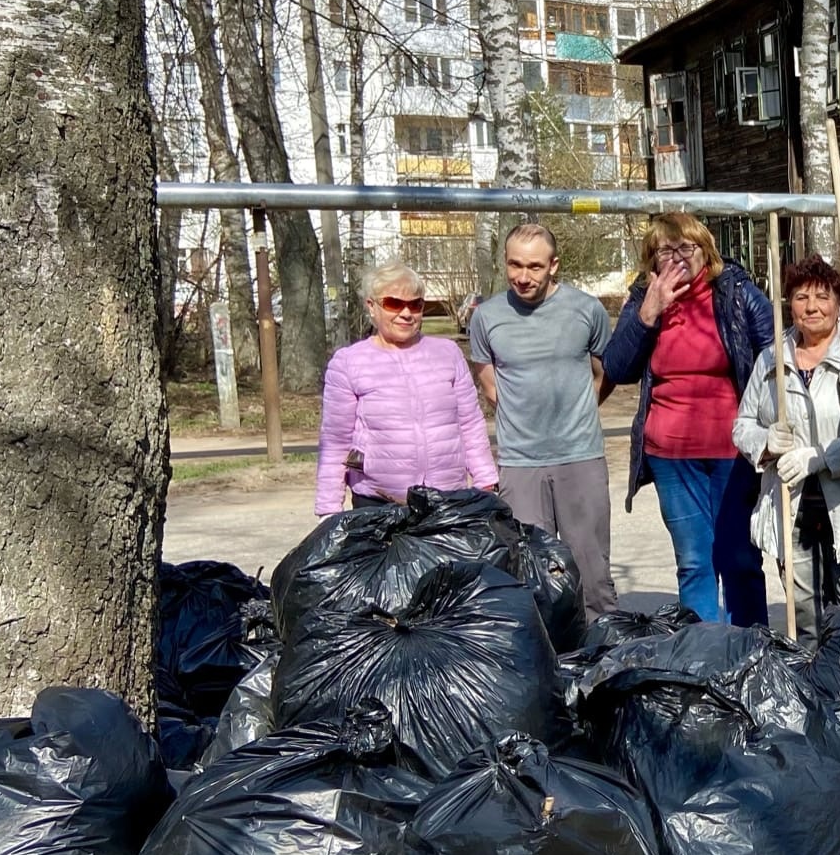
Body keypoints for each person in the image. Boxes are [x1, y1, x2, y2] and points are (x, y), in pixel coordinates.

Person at [602, 213, 772, 624]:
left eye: (686, 247)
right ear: (652, 259)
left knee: (739, 557)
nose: (677, 257)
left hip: (734, 451)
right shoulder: (644, 297)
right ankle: (702, 659)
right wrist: (649, 313)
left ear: (705, 251)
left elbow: (775, 353)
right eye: (666, 250)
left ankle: (750, 653)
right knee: (694, 561)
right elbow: (618, 367)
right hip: (671, 455)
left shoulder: (736, 292)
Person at [467, 223, 620, 616]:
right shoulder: (487, 317)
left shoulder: (586, 310)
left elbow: (604, 375)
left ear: (554, 265)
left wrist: (576, 411)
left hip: (579, 457)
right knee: (529, 572)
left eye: (534, 266)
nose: (523, 276)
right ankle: (543, 663)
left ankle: (602, 659)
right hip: (521, 463)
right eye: (514, 265)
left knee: (591, 573)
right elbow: (489, 382)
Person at [733, 256, 840, 645]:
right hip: (790, 503)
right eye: (800, 297)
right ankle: (814, 689)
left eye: (822, 296)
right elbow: (742, 425)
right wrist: (765, 443)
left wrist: (821, 457)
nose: (812, 306)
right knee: (804, 614)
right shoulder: (772, 358)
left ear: (839, 300)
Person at [315, 260, 497, 517]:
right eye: (394, 304)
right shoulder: (348, 362)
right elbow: (336, 441)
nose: (406, 313)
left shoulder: (448, 354)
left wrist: (486, 482)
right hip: (378, 504)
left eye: (415, 304)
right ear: (372, 306)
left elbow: (470, 424)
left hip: (447, 499)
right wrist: (329, 510)